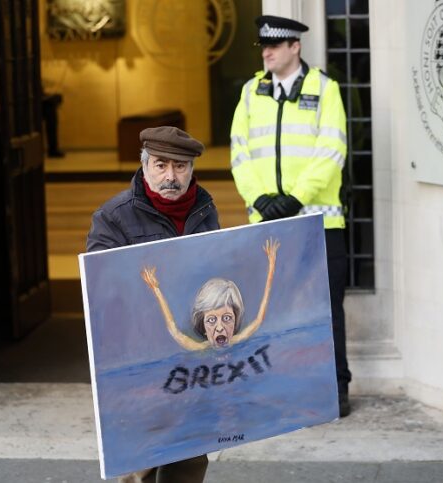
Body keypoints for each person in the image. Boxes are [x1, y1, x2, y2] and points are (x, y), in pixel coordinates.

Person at [229, 15, 352, 417]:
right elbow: (240, 153)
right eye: (263, 46)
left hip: (319, 222)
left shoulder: (324, 89)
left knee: (325, 309)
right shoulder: (251, 92)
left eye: (275, 45)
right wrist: (260, 199)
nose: (266, 52)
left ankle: (335, 389)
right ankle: (281, 389)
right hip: (268, 225)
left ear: (295, 47)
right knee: (273, 312)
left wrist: (296, 198)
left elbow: (331, 150)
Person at [87, 126, 216, 482]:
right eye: (161, 165)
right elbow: (102, 287)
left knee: (190, 455)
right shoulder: (113, 216)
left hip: (192, 356)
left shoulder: (205, 208)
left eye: (180, 166)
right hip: (140, 357)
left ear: (192, 169)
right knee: (139, 463)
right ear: (145, 166)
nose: (170, 176)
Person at [140, 238, 279, 350]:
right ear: (204, 328)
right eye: (212, 320)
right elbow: (174, 331)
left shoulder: (237, 340)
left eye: (227, 318)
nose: (219, 328)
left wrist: (271, 267)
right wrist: (156, 290)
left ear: (235, 322)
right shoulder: (201, 348)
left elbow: (259, 319)